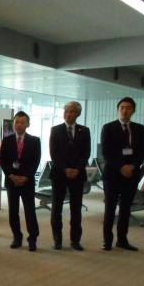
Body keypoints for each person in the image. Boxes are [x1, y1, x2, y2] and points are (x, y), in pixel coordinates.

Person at [100, 97, 144, 251]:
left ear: (133, 111)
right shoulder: (108, 128)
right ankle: (107, 241)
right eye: (122, 107)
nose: (124, 110)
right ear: (118, 110)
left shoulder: (139, 128)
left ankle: (122, 240)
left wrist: (132, 166)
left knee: (125, 209)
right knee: (110, 209)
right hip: (112, 175)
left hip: (131, 175)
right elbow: (106, 152)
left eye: (128, 108)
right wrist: (121, 167)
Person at [49, 101, 91, 250]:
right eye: (66, 111)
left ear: (78, 114)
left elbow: (86, 153)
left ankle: (75, 240)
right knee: (56, 209)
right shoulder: (55, 130)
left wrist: (77, 169)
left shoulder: (84, 131)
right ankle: (57, 239)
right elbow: (54, 153)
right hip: (59, 174)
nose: (68, 114)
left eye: (72, 111)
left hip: (77, 175)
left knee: (76, 209)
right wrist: (65, 169)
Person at [0, 111, 41, 251]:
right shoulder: (7, 140)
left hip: (27, 182)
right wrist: (11, 175)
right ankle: (17, 237)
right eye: (17, 122)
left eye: (22, 122)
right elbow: (3, 160)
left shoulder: (35, 141)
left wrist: (26, 177)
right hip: (12, 181)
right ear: (13, 124)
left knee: (30, 211)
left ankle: (32, 239)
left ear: (28, 124)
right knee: (13, 211)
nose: (19, 125)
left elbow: (36, 161)